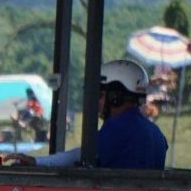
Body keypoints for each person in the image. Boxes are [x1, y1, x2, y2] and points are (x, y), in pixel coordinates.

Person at [13, 59, 166, 171]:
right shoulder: (156, 133)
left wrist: (37, 162)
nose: (95, 103)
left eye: (99, 95)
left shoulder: (119, 128)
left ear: (115, 97)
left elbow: (82, 156)